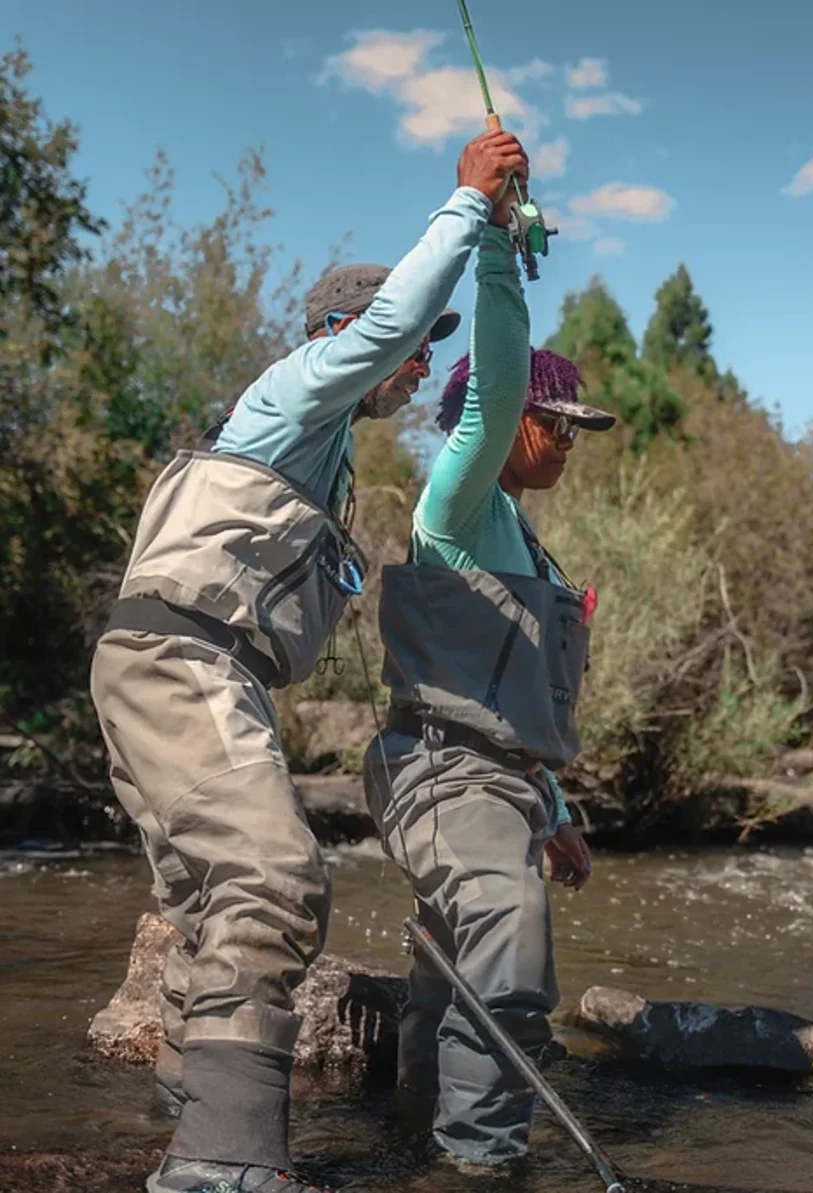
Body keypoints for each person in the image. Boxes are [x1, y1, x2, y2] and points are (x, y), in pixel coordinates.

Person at [89, 129, 530, 1193]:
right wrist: (468, 206)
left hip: (187, 666)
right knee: (272, 876)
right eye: (419, 344)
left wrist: (505, 251)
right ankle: (222, 1165)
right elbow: (386, 326)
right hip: (180, 657)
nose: (421, 363)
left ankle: (188, 1132)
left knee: (215, 909)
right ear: (347, 331)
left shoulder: (316, 446)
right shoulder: (294, 389)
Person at [362, 208, 616, 1175]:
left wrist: (550, 806)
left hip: (492, 783)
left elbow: (508, 704)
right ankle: (481, 1167)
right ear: (512, 421)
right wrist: (501, 246)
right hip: (440, 773)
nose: (569, 443)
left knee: (449, 975)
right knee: (508, 948)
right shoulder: (458, 500)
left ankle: (411, 1148)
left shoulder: (518, 534)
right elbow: (497, 377)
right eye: (560, 425)